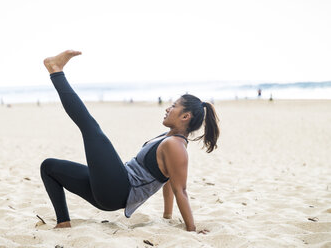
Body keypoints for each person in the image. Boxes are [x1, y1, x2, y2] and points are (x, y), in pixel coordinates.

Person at [40, 50, 220, 233]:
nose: (168, 108)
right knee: (49, 167)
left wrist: (191, 229)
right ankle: (63, 222)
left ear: (185, 116)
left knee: (91, 128)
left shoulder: (175, 145)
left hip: (120, 190)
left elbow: (180, 190)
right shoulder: (168, 138)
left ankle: (56, 70)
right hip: (109, 190)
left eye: (174, 106)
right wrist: (167, 216)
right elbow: (168, 180)